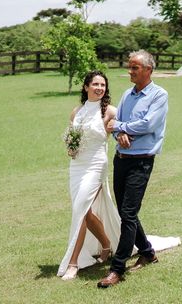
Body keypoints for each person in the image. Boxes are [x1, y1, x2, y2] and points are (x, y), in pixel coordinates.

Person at [97, 50, 169, 288]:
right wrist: (119, 133)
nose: (130, 71)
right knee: (127, 212)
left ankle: (117, 268)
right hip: (121, 159)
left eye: (135, 67)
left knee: (127, 213)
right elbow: (112, 124)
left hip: (141, 161)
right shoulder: (127, 94)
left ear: (148, 70)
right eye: (129, 67)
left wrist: (120, 126)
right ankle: (148, 252)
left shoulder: (159, 95)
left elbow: (149, 124)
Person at [57, 70, 121, 281]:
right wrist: (71, 148)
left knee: (80, 208)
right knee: (83, 212)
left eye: (103, 85)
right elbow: (72, 139)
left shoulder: (110, 111)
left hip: (96, 165)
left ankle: (74, 263)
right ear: (86, 87)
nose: (99, 88)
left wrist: (118, 130)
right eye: (95, 84)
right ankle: (106, 244)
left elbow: (122, 131)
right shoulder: (76, 112)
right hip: (76, 166)